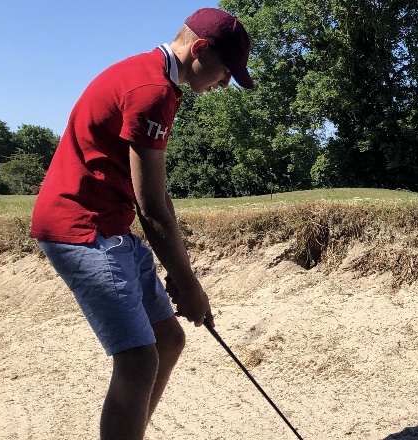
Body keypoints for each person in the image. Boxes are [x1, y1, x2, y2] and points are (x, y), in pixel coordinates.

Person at [30, 8, 254, 439]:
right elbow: (150, 206)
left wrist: (184, 275)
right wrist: (187, 284)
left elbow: (157, 195)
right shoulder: (152, 89)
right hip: (81, 229)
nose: (225, 83)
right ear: (199, 49)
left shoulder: (157, 80)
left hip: (110, 227)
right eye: (226, 71)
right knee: (137, 360)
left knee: (167, 342)